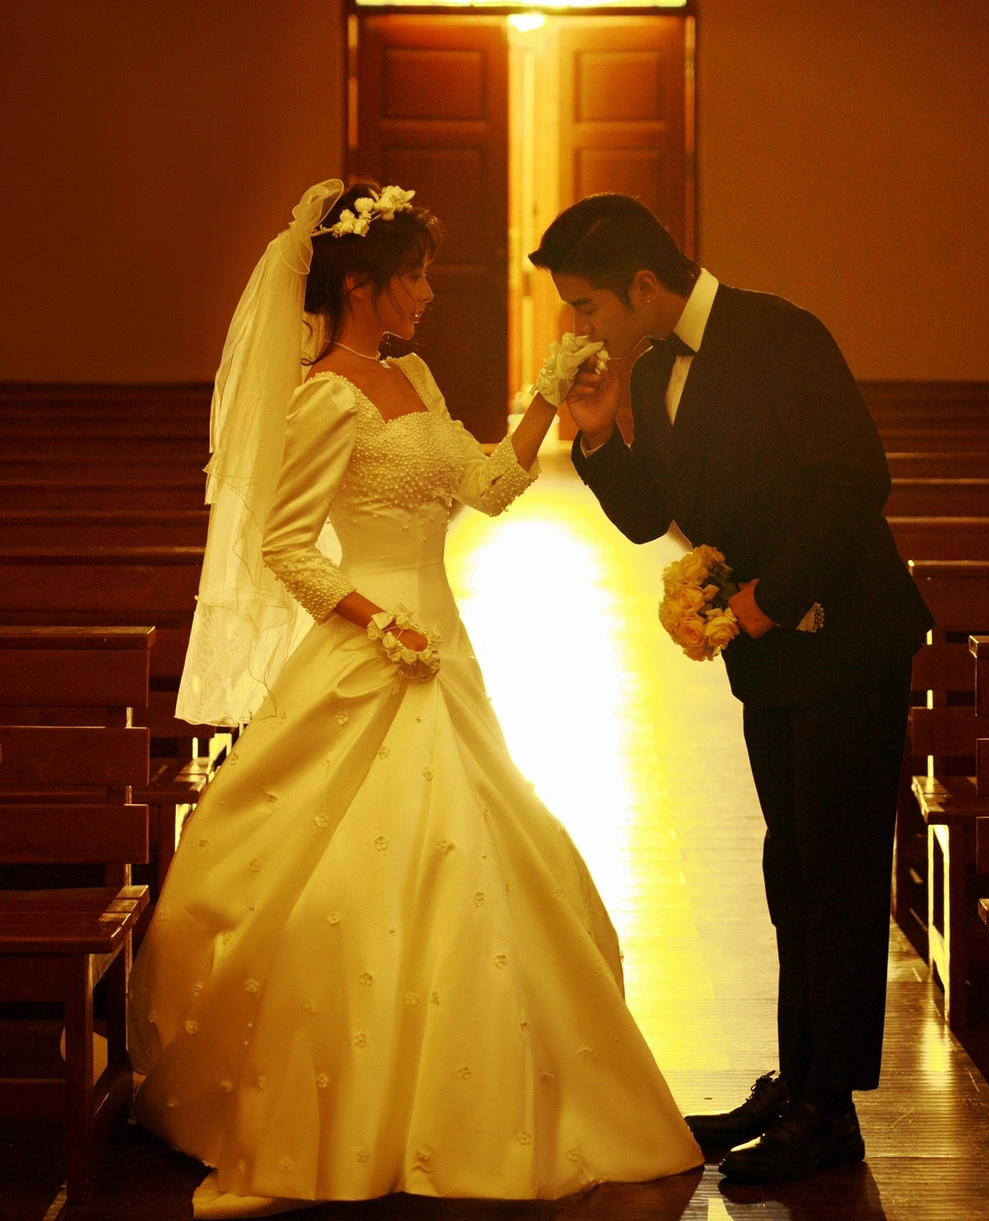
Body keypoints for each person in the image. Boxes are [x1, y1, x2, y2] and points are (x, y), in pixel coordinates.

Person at [129, 180, 702, 1219]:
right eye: (415, 276)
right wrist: (375, 620)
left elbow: (485, 488)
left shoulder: (414, 376)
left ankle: (481, 1101)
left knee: (488, 855)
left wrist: (548, 404)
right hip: (372, 650)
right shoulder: (324, 396)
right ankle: (353, 1114)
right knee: (361, 881)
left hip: (445, 646)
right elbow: (286, 546)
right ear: (362, 285)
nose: (430, 292)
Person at [529, 194, 933, 1186]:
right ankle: (801, 1080)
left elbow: (856, 480)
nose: (579, 325)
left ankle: (829, 1110)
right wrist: (595, 436)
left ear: (643, 284)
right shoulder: (652, 368)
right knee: (791, 869)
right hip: (773, 658)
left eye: (586, 304)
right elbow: (650, 515)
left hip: (845, 639)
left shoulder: (780, 334)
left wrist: (768, 599)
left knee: (837, 875)